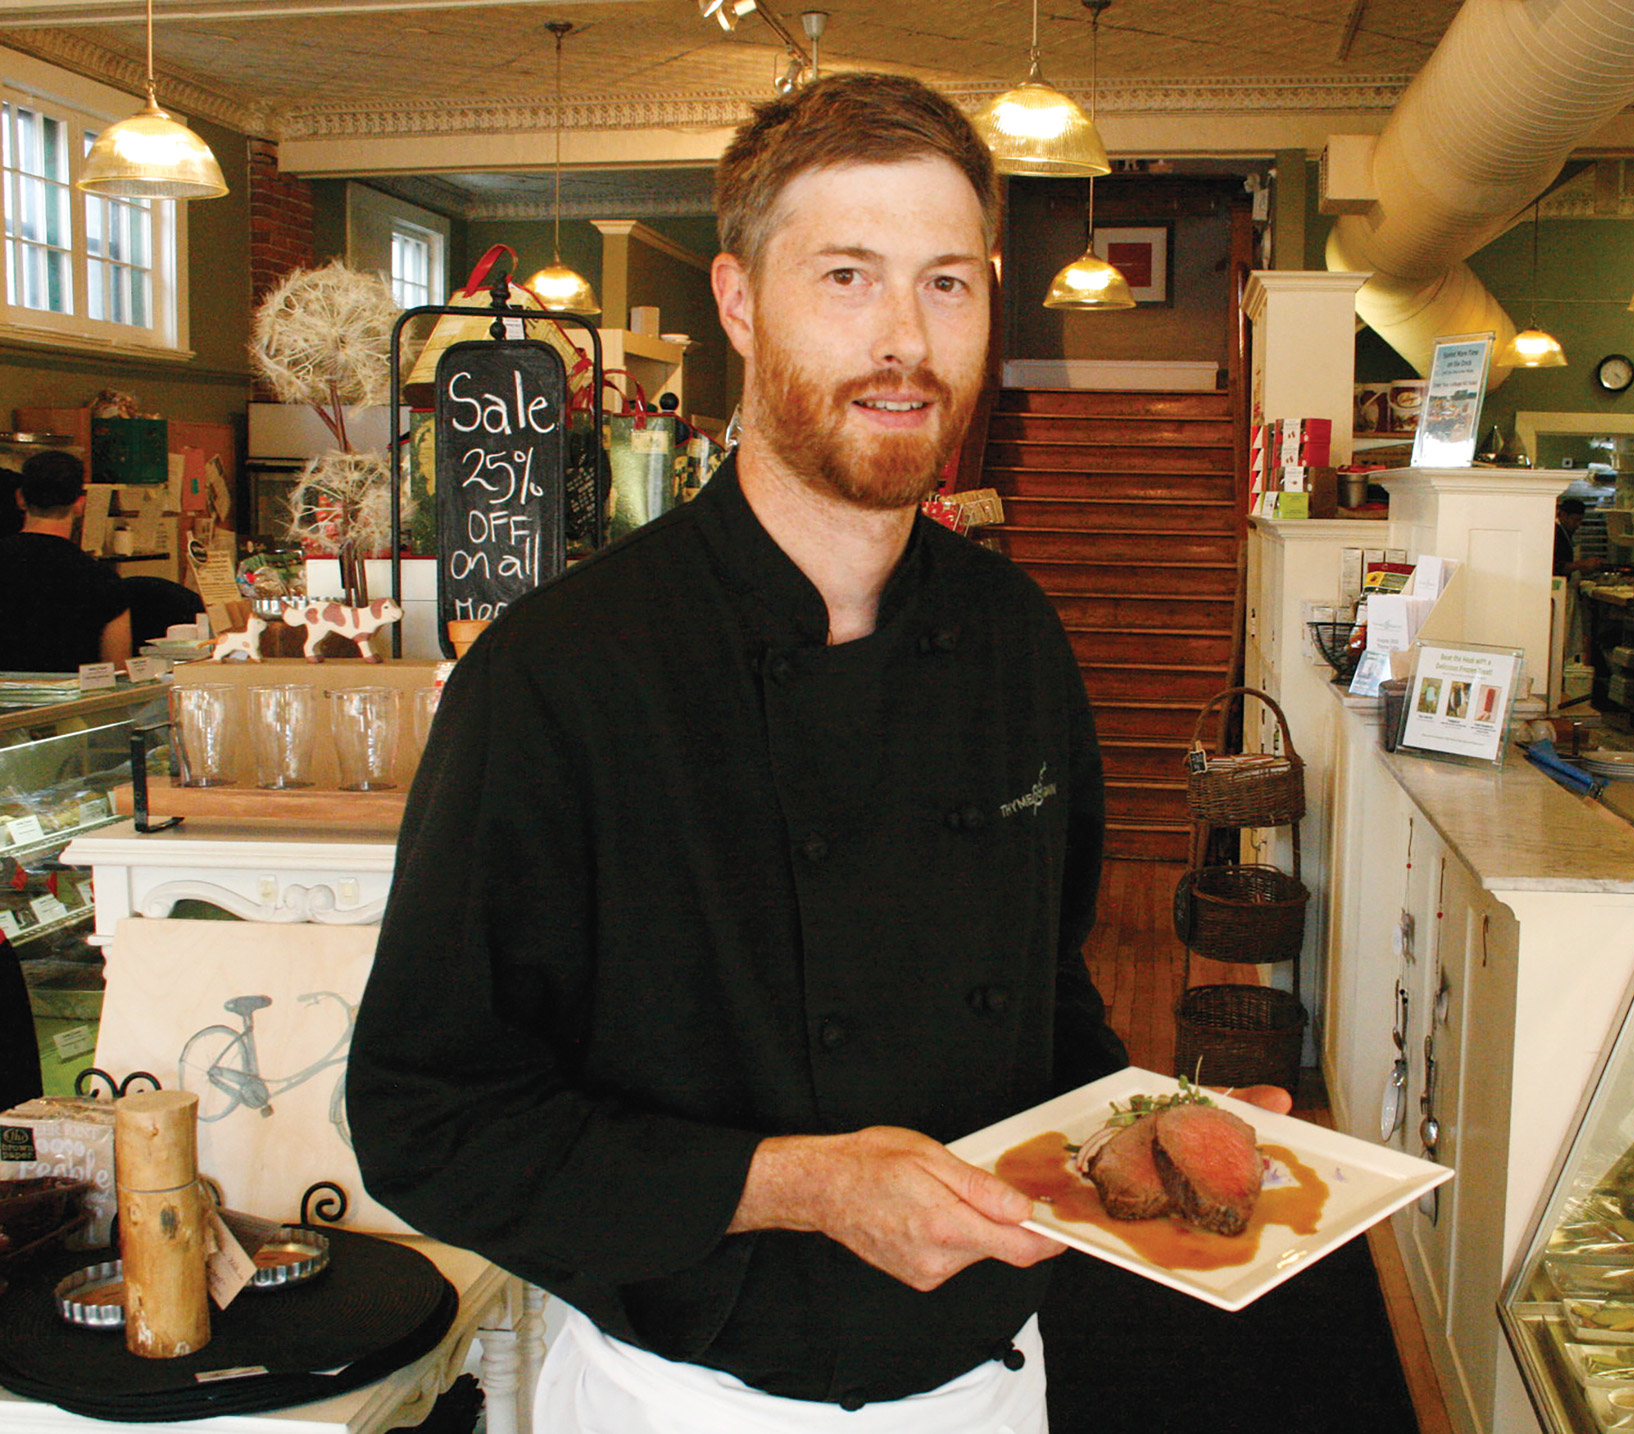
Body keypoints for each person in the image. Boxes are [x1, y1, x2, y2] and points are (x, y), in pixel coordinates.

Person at [347, 72, 1287, 1433]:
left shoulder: (1015, 635)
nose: (905, 340)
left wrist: (1142, 1120)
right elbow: (426, 1118)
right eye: (848, 275)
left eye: (948, 283)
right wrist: (796, 1184)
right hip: (683, 1401)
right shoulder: (562, 674)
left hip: (988, 1387)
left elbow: (1046, 995)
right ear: (739, 300)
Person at [0, 451, 130, 672]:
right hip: (75, 705)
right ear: (80, 504)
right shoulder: (102, 579)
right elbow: (117, 673)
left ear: (20, 498)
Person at [1553, 497, 1602, 577]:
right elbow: (1556, 567)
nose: (1578, 524)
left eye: (1580, 521)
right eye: (1575, 520)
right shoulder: (1555, 533)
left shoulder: (1567, 532)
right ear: (1563, 515)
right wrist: (1581, 564)